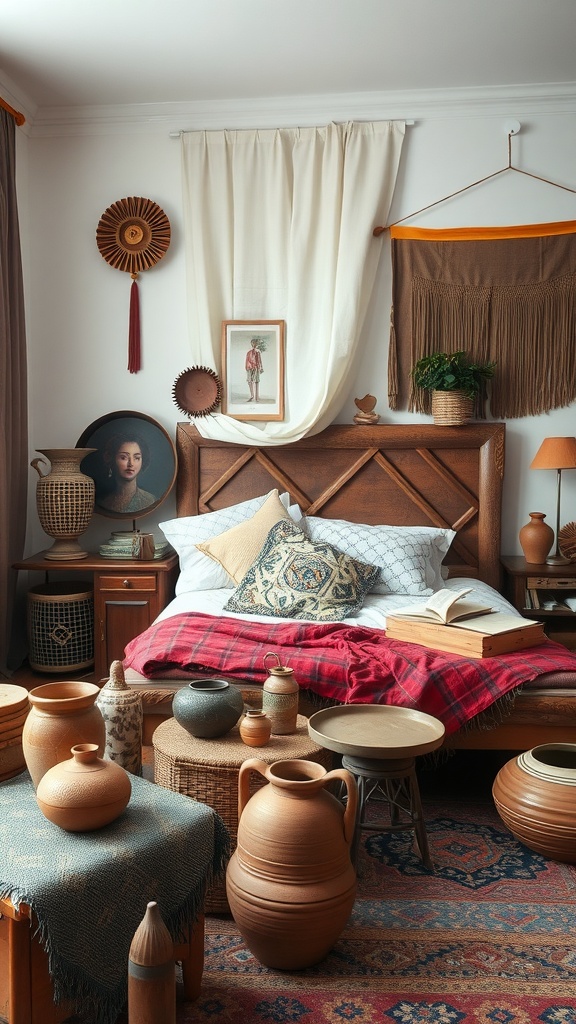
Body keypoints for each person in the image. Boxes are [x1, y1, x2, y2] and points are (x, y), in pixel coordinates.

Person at [98, 433, 156, 513]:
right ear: (111, 459)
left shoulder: (150, 500)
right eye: (123, 457)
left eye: (136, 458)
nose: (131, 464)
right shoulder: (102, 500)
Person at [245, 338, 264, 402]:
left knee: (256, 381)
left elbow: (259, 360)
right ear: (251, 344)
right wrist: (247, 368)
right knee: (249, 381)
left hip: (256, 367)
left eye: (255, 343)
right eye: (253, 343)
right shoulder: (248, 352)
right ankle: (252, 395)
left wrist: (261, 368)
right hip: (250, 368)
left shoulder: (258, 352)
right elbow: (247, 360)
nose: (254, 344)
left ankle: (256, 397)